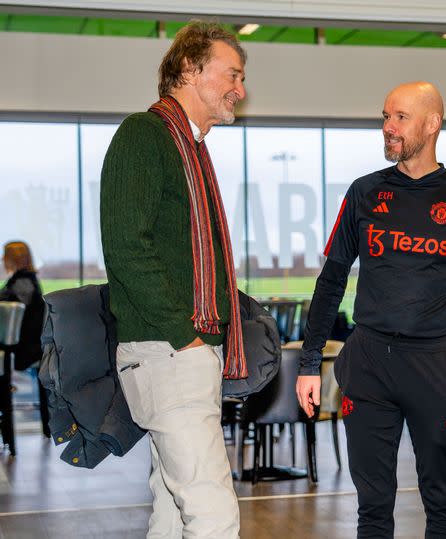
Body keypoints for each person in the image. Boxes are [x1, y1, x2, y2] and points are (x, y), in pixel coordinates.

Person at [296, 81, 446, 538]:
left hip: (435, 365)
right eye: (385, 116)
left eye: (400, 118)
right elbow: (331, 280)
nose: (388, 127)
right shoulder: (364, 192)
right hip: (368, 362)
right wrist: (310, 363)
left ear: (432, 124)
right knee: (372, 509)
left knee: (443, 508)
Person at [100, 22, 247, 538]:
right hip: (170, 350)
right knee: (213, 513)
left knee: (172, 507)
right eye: (232, 74)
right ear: (190, 68)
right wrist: (183, 335)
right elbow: (125, 244)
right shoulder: (146, 135)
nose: (240, 89)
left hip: (184, 351)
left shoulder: (191, 148)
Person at [0, 241, 47, 438]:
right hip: (30, 346)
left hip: (23, 349)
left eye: (5, 256)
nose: (2, 260)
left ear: (12, 259)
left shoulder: (22, 284)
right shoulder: (28, 281)